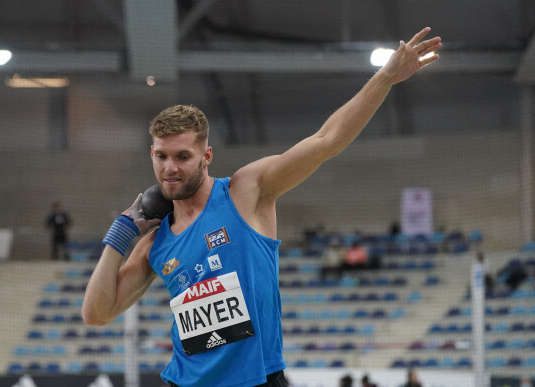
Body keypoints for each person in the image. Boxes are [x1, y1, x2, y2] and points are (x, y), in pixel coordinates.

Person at [82, 27, 441, 387]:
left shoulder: (246, 192)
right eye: (161, 156)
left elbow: (327, 140)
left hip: (258, 380)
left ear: (207, 156)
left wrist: (387, 77)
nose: (169, 168)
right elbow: (96, 313)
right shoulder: (155, 242)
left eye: (182, 156)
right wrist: (121, 233)